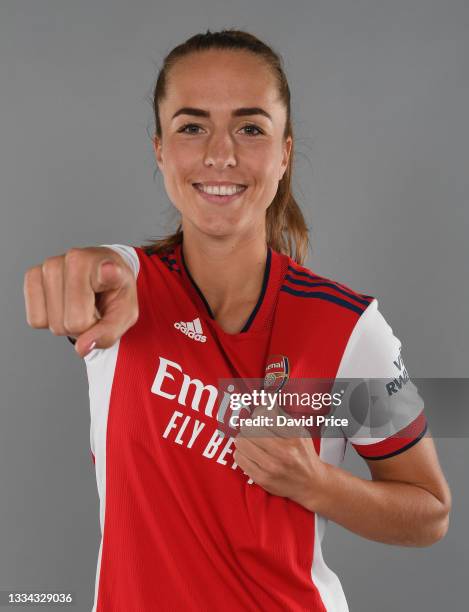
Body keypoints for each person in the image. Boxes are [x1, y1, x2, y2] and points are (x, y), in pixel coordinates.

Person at [23, 29, 451, 612]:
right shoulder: (128, 292)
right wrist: (81, 275)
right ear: (159, 150)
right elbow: (96, 270)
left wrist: (316, 483)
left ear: (284, 154)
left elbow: (429, 513)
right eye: (191, 126)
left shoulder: (347, 328)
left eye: (250, 128)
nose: (219, 154)